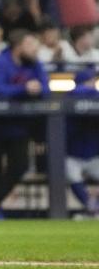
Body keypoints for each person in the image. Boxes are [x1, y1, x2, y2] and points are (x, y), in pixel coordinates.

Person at [0, 29, 49, 221]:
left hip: (19, 126)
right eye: (30, 45)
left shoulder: (34, 65)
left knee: (20, 165)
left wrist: (38, 89)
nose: (35, 49)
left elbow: (46, 88)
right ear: (18, 47)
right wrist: (23, 89)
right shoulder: (1, 62)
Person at [66, 68, 99, 217]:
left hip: (93, 156)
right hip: (72, 155)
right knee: (71, 174)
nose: (93, 84)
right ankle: (93, 208)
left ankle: (94, 208)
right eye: (91, 81)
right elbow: (79, 91)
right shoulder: (72, 95)